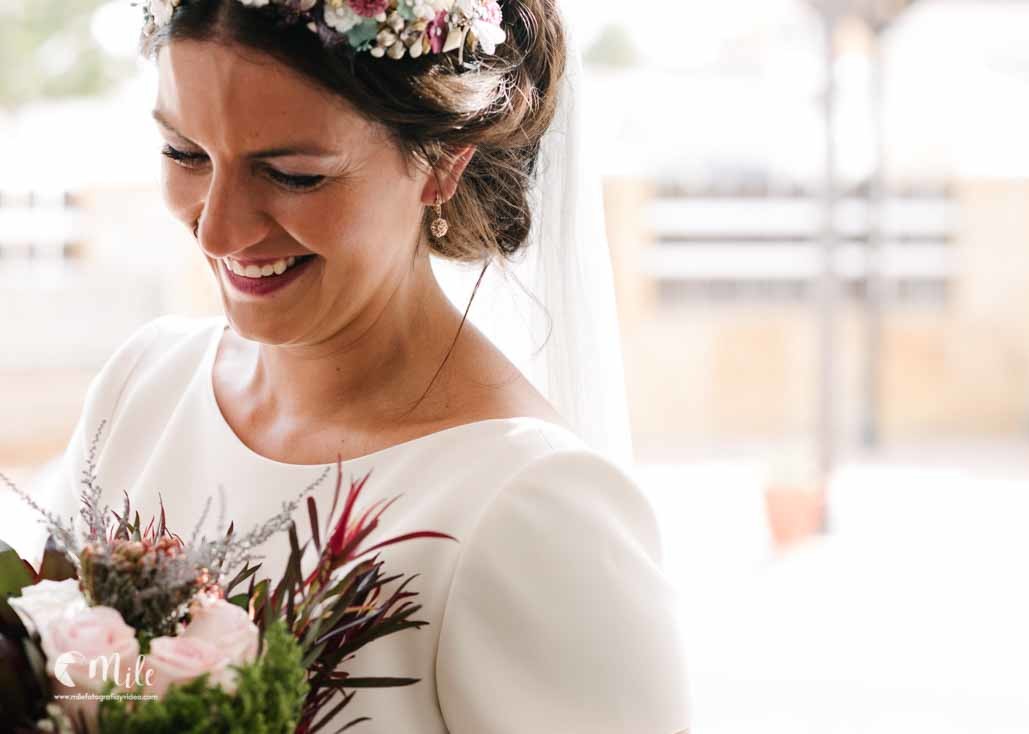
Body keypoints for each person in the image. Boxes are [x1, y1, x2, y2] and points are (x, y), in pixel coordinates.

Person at [37, 0, 692, 731]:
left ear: (444, 162)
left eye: (292, 174)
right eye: (185, 154)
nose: (218, 228)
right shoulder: (141, 390)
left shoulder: (531, 509)